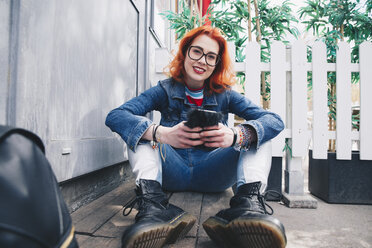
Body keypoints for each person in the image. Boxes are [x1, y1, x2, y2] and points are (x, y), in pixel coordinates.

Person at [106, 25, 286, 248]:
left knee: (256, 134)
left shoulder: (225, 94)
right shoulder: (164, 89)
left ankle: (248, 207)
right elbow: (116, 116)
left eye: (211, 57)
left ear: (217, 63)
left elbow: (274, 121)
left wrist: (234, 135)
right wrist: (161, 133)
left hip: (214, 174)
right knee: (140, 132)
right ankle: (152, 207)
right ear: (185, 52)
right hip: (171, 171)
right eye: (197, 51)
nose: (202, 61)